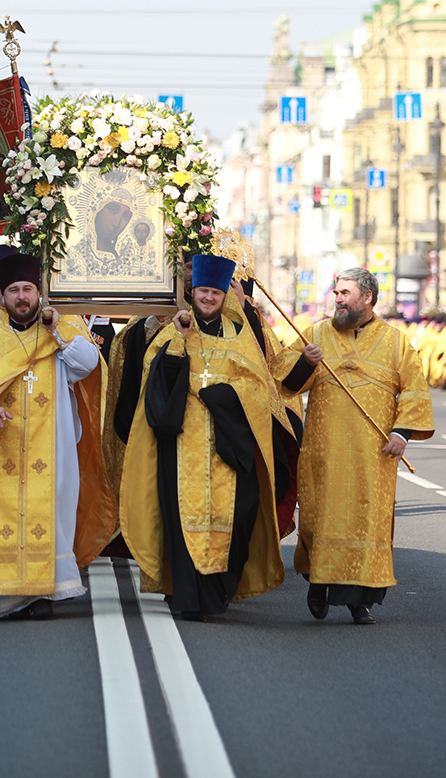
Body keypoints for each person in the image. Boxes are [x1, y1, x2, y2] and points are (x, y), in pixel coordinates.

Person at [0, 253, 113, 621]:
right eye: (14, 290)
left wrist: (57, 329)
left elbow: (88, 363)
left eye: (27, 289)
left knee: (52, 512)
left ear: (39, 292)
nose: (21, 296)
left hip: (54, 444)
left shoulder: (59, 329)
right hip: (3, 445)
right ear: (3, 294)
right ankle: (12, 594)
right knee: (4, 515)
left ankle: (44, 590)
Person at [120, 253, 299, 620]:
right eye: (202, 291)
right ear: (192, 292)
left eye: (214, 293)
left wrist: (220, 395)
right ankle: (188, 595)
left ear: (223, 296)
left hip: (230, 446)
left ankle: (221, 587)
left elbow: (258, 388)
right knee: (180, 518)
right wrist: (179, 346)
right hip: (181, 444)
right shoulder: (175, 331)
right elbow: (154, 382)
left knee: (242, 513)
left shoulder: (241, 336)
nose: (207, 298)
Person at [288, 268, 433, 625]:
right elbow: (286, 382)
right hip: (324, 449)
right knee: (320, 518)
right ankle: (317, 585)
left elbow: (414, 390)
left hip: (373, 453)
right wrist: (305, 362)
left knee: (366, 523)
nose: (337, 299)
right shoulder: (316, 334)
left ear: (367, 298)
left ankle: (360, 602)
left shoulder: (396, 342)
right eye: (336, 292)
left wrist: (401, 435)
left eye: (345, 293)